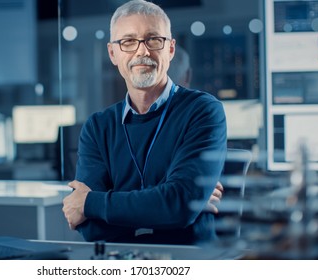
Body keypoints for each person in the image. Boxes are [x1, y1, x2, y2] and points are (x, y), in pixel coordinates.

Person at [63, 0, 227, 245]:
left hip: (188, 261)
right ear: (113, 54)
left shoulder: (203, 111)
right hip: (119, 263)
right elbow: (92, 229)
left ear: (170, 49)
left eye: (153, 39)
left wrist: (91, 202)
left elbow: (179, 205)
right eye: (128, 41)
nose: (142, 51)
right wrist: (166, 203)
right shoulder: (98, 127)